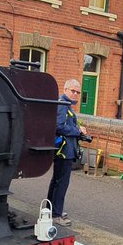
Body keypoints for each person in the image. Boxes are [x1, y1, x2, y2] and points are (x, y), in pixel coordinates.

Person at [47, 79, 86, 226]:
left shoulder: (66, 105)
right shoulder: (62, 104)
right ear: (65, 89)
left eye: (77, 92)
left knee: (56, 181)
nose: (75, 94)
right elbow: (58, 127)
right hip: (64, 151)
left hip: (65, 150)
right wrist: (77, 131)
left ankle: (50, 209)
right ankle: (56, 214)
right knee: (61, 183)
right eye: (73, 91)